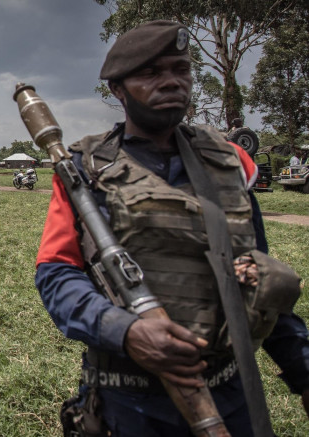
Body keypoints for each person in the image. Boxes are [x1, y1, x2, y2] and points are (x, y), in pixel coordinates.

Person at [34, 21, 309, 435]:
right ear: (118, 89)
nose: (171, 82)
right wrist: (126, 332)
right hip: (129, 405)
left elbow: (258, 278)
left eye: (181, 69)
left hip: (231, 395)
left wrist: (303, 372)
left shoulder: (231, 162)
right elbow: (56, 275)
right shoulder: (85, 171)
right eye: (150, 73)